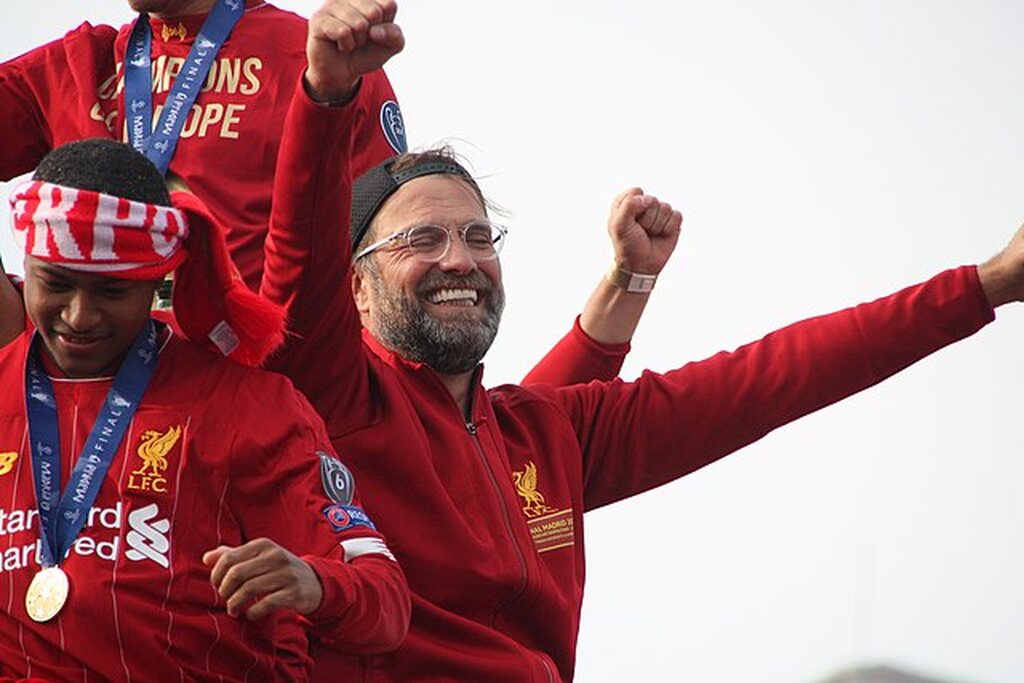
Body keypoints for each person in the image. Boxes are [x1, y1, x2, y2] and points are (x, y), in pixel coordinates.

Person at [258, 6, 1024, 679]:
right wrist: (326, 98)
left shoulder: (540, 433)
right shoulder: (327, 403)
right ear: (354, 285)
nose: (460, 259)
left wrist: (988, 283)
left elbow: (776, 376)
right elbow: (297, 264)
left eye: (478, 236)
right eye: (422, 238)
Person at [0, 0, 669, 388]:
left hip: (253, 391)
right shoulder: (75, 63)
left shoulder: (317, 57)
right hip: (66, 393)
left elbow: (384, 268)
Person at [0, 138, 410, 680]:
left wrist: (315, 583)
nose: (79, 316)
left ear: (157, 282)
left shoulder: (247, 405)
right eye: (56, 284)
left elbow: (385, 604)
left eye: (113, 292)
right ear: (26, 264)